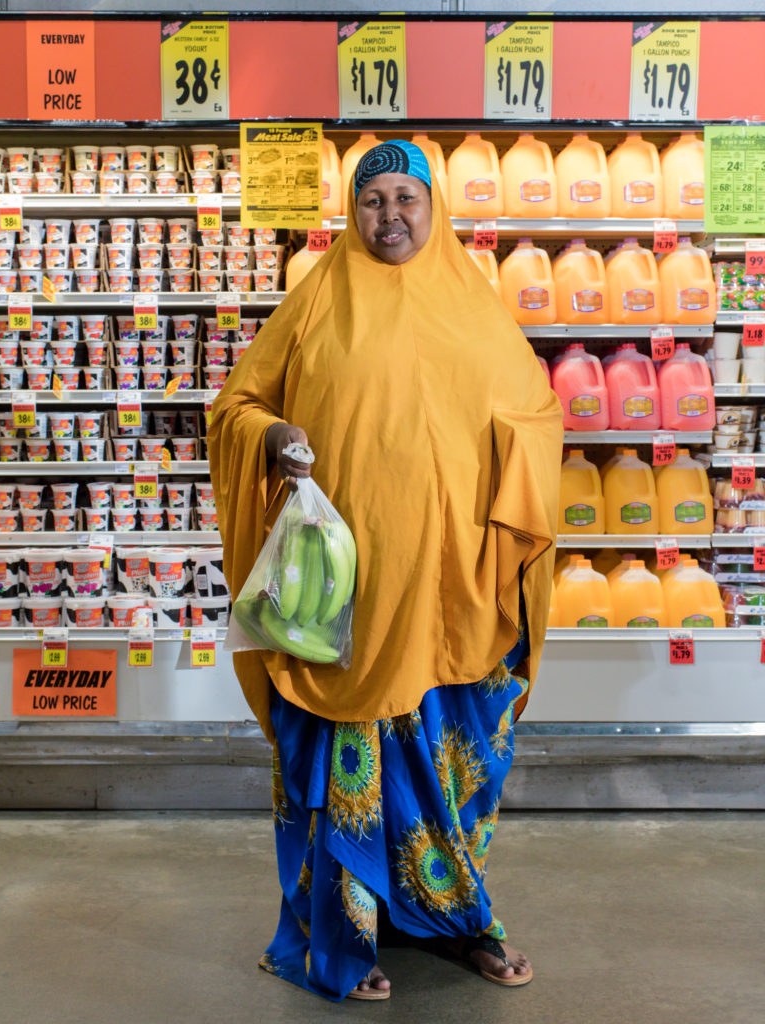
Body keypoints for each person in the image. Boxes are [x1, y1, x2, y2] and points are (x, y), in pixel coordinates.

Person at [208, 139, 563, 1002]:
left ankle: (458, 921)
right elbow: (237, 405)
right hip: (344, 602)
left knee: (446, 770)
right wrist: (273, 439)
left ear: (433, 208)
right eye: (374, 201)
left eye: (407, 198)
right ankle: (339, 939)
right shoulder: (316, 302)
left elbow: (541, 416)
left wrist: (503, 464)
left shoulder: (475, 309)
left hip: (451, 597)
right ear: (352, 212)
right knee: (340, 769)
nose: (390, 216)